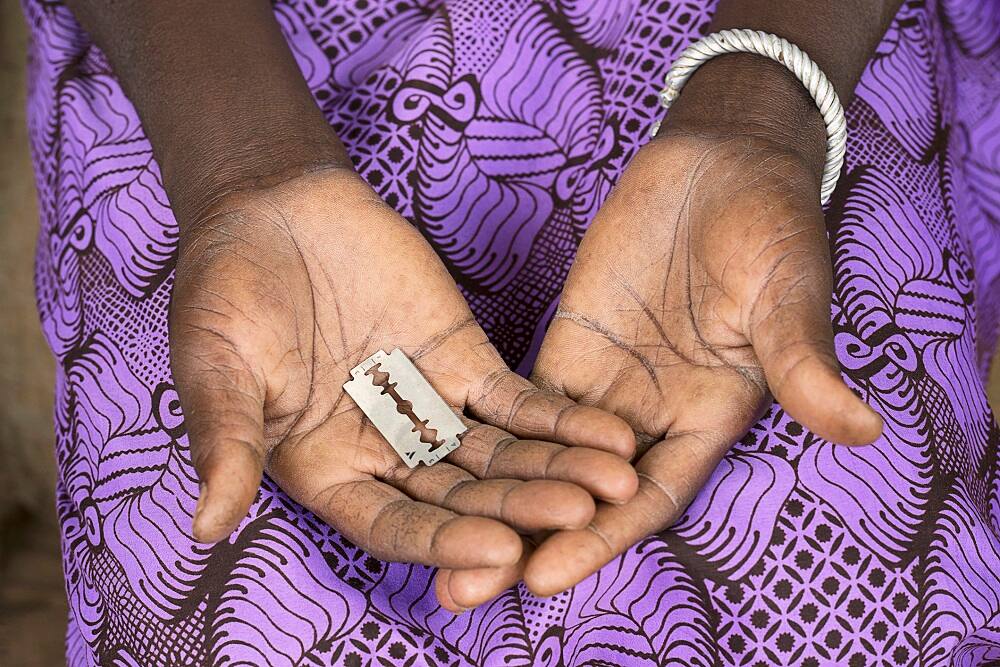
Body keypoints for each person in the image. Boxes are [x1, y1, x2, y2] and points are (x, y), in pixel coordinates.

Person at [20, 0, 1000, 663]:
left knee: (858, 596)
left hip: (791, 28)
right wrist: (242, 171)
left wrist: (763, 107)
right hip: (213, 59)